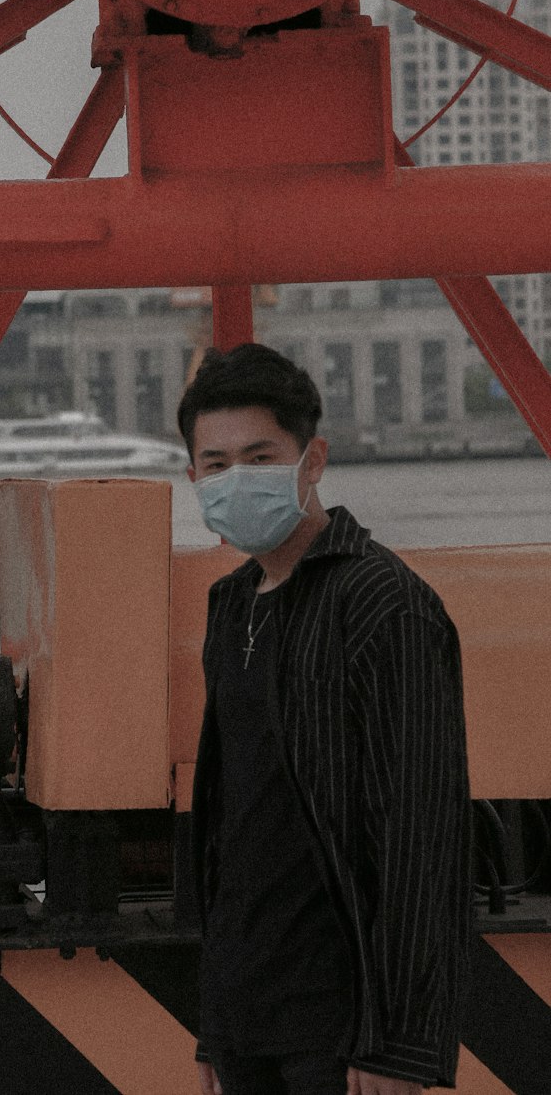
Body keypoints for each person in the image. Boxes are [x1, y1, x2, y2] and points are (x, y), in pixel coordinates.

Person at [178, 344, 471, 1095]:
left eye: (259, 455)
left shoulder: (383, 604)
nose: (235, 478)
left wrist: (398, 1045)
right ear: (191, 477)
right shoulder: (232, 604)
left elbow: (419, 832)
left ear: (312, 460)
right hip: (247, 1015)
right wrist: (215, 1024)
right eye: (215, 464)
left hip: (341, 1029)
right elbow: (230, 830)